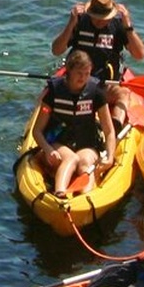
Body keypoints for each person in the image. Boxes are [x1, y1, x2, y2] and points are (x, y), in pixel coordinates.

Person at [51, 0, 144, 133]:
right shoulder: (80, 22)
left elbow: (139, 55)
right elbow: (56, 50)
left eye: (104, 18)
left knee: (124, 94)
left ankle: (115, 125)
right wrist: (71, 25)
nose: (99, 21)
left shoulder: (118, 26)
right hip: (78, 83)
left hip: (105, 85)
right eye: (96, 17)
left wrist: (128, 27)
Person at [31, 50, 116, 197]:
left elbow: (109, 131)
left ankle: (86, 198)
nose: (83, 78)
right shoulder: (53, 93)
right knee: (71, 158)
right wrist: (47, 149)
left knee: (85, 162)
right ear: (69, 71)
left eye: (87, 73)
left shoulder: (96, 93)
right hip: (59, 141)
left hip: (86, 142)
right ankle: (60, 193)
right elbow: (37, 130)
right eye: (79, 73)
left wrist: (110, 156)